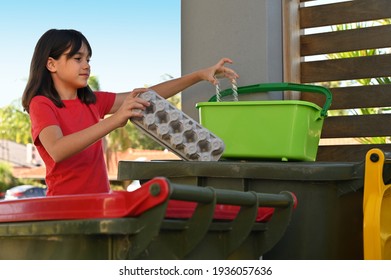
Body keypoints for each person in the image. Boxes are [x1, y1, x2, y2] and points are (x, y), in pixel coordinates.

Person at [22, 29, 239, 196]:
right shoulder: (41, 104)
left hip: (100, 201)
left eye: (88, 59)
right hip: (65, 207)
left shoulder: (91, 101)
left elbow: (149, 96)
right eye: (77, 59)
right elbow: (58, 150)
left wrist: (199, 75)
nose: (86, 65)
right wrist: (115, 120)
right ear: (51, 64)